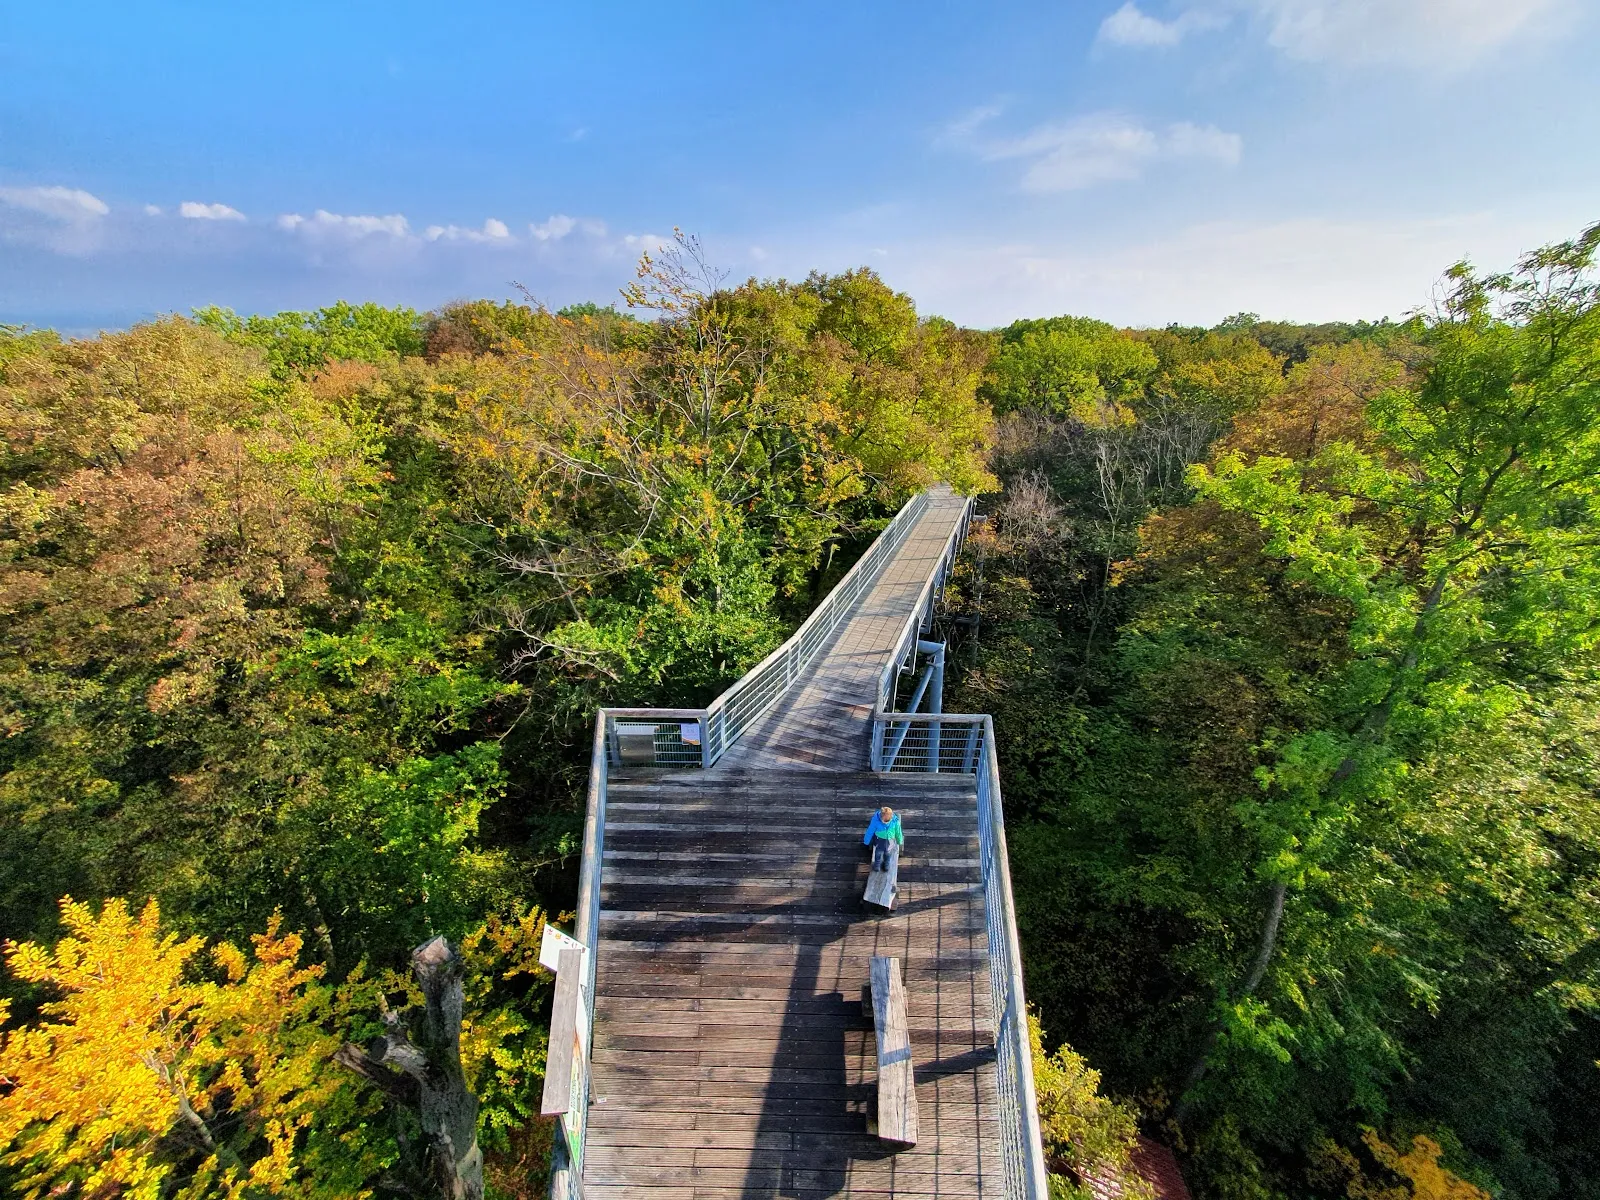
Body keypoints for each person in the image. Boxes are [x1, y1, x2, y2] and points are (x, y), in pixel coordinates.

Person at [862, 806, 903, 873]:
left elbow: (898, 832)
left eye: (887, 821)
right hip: (879, 840)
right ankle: (877, 863)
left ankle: (886, 863)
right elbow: (870, 831)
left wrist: (899, 840)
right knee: (878, 853)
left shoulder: (895, 822)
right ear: (880, 817)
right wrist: (866, 841)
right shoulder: (875, 821)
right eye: (884, 821)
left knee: (888, 853)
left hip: (890, 840)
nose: (885, 823)